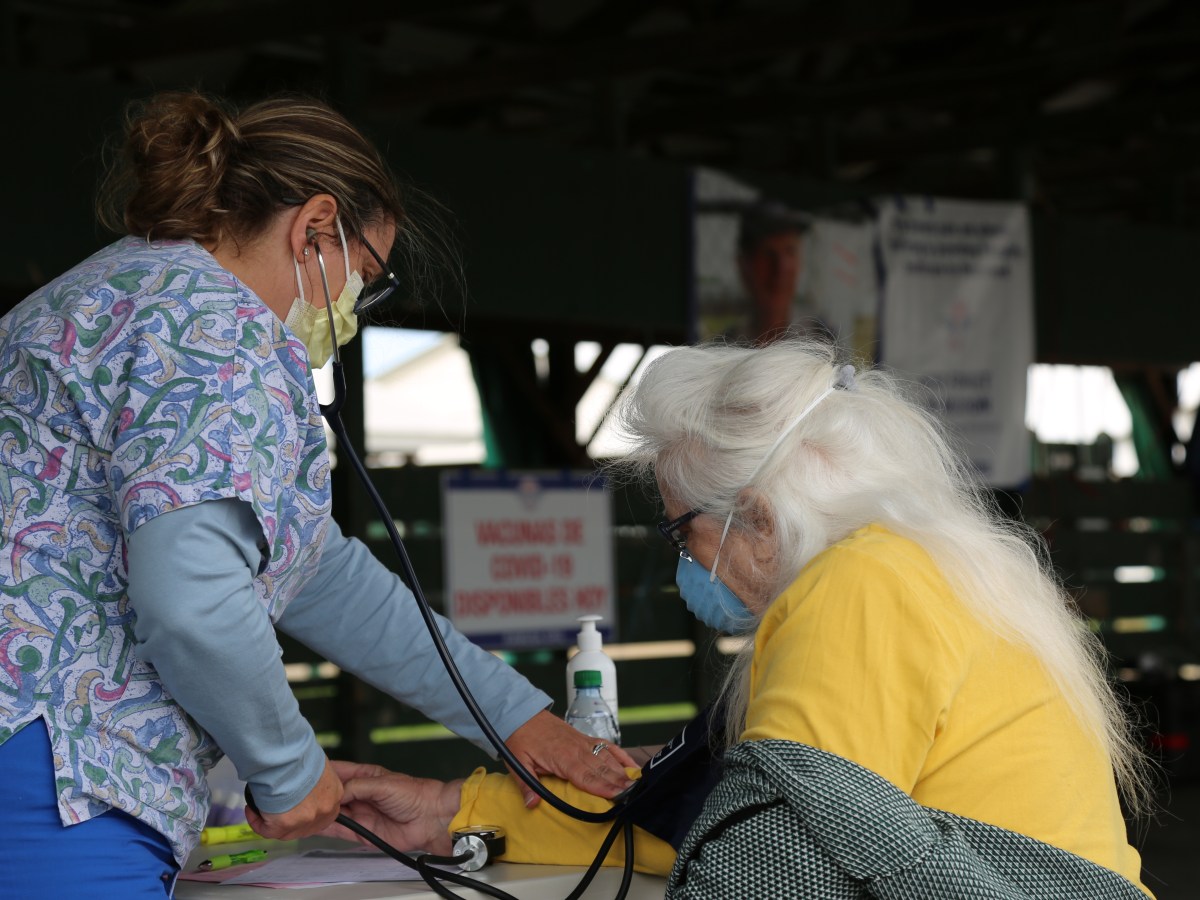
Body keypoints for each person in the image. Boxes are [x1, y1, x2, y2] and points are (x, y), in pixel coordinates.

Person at [0, 90, 634, 898]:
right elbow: (194, 598)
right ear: (314, 228)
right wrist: (289, 769)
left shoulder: (104, 291)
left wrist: (517, 716)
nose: (355, 310)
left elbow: (316, 573)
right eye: (364, 277)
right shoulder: (218, 334)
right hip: (54, 770)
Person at [321, 340, 1155, 898]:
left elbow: (766, 849)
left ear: (757, 517)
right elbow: (735, 812)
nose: (685, 560)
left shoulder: (859, 582)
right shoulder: (938, 565)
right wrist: (453, 812)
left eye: (684, 530)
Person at [732, 200, 820, 344]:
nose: (781, 268)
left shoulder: (823, 341)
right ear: (744, 265)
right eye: (768, 254)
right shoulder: (726, 349)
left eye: (790, 252)